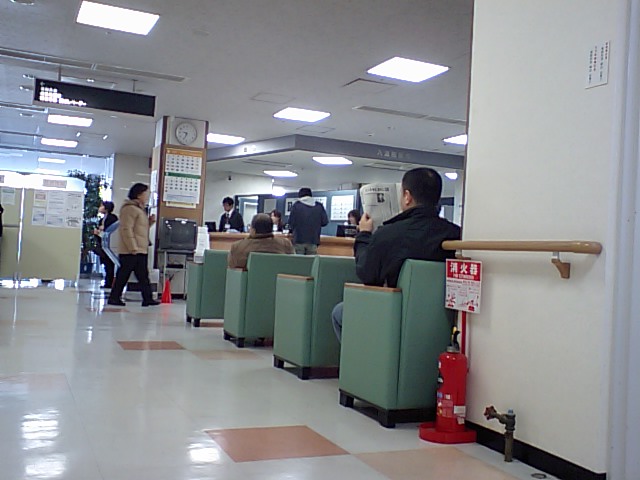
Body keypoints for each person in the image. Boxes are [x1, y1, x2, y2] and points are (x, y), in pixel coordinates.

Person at [332, 168, 461, 341]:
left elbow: (367, 274)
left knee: (339, 312)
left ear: (407, 196)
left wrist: (364, 235)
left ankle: (363, 355)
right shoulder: (454, 234)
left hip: (396, 310)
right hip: (441, 315)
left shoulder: (389, 233)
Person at [107, 184, 159, 307]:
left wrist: (150, 222)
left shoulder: (139, 209)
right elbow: (126, 229)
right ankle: (114, 297)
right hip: (131, 250)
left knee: (142, 275)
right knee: (124, 275)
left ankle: (147, 298)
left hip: (140, 248)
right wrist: (132, 247)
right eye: (146, 194)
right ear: (139, 194)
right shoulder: (129, 209)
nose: (147, 197)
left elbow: (139, 229)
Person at [227, 213, 294, 269]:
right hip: (278, 280)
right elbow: (292, 266)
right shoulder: (285, 244)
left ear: (253, 230)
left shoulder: (238, 247)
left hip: (250, 280)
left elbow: (232, 268)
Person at [288, 188, 328, 255]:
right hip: (313, 240)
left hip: (299, 239)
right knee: (311, 261)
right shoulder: (319, 206)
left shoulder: (296, 205)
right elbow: (324, 222)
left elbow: (291, 222)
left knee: (298, 260)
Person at [93, 201, 118, 288]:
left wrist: (100, 232)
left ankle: (109, 282)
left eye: (102, 206)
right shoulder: (102, 220)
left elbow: (110, 232)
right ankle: (108, 281)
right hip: (103, 244)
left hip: (109, 244)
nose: (100, 208)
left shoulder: (112, 218)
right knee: (106, 264)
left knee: (109, 264)